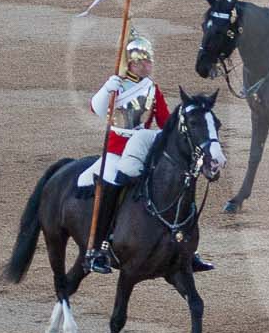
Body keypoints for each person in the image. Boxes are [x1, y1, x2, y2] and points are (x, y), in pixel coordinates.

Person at [83, 35, 215, 276]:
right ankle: (99, 248)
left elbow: (165, 122)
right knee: (112, 185)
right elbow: (97, 109)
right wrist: (106, 89)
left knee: (178, 182)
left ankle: (187, 246)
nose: (147, 65)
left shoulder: (152, 88)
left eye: (149, 61)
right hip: (116, 148)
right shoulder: (117, 86)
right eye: (142, 62)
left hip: (142, 146)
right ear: (131, 64)